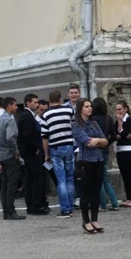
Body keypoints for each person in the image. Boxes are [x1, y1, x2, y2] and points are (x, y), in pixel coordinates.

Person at [71, 99, 108, 234]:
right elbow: (87, 142)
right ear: (80, 109)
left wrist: (98, 140)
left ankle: (94, 219)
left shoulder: (94, 123)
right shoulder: (76, 125)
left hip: (98, 159)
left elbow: (105, 141)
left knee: (96, 191)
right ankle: (86, 221)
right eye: (86, 106)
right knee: (86, 192)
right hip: (86, 161)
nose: (90, 108)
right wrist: (98, 141)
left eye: (90, 106)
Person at [40, 90, 76, 218]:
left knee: (61, 180)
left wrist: (46, 154)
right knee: (70, 177)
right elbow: (74, 127)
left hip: (55, 148)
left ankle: (65, 209)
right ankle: (71, 206)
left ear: (49, 101)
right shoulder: (69, 111)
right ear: (61, 99)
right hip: (69, 146)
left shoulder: (46, 115)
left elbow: (44, 137)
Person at [18, 94, 48, 215]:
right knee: (38, 177)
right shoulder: (27, 116)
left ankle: (31, 205)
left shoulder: (25, 116)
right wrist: (35, 148)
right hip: (30, 152)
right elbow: (27, 135)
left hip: (27, 152)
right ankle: (35, 205)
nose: (37, 104)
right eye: (35, 102)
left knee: (30, 178)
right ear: (28, 103)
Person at [0, 97, 26, 220]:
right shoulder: (9, 120)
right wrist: (16, 151)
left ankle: (6, 211)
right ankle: (11, 211)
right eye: (14, 105)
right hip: (9, 154)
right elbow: (10, 137)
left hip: (2, 154)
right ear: (9, 106)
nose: (16, 107)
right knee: (12, 183)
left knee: (5, 184)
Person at [91, 97, 119, 212]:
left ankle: (103, 205)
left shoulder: (91, 119)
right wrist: (106, 144)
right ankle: (114, 203)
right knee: (105, 178)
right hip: (105, 151)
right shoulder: (109, 119)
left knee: (98, 180)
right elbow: (113, 136)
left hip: (94, 151)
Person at [114, 101, 131, 207]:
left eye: (120, 109)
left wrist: (120, 125)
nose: (118, 112)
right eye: (116, 110)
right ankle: (128, 197)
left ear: (125, 109)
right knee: (124, 174)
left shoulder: (129, 120)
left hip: (127, 150)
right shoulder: (117, 122)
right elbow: (117, 135)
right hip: (119, 150)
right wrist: (120, 132)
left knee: (129, 174)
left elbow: (127, 135)